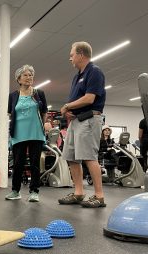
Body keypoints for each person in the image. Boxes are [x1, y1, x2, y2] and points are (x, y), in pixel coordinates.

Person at [58, 41, 106, 208]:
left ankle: (99, 196)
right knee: (70, 157)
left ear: (81, 55)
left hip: (90, 120)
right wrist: (71, 110)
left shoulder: (94, 72)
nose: (70, 58)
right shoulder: (77, 76)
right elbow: (77, 100)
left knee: (88, 156)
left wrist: (68, 106)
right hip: (76, 120)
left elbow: (89, 98)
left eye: (72, 55)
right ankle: (79, 193)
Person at [6, 64, 48, 202]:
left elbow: (44, 113)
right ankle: (15, 191)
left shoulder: (39, 93)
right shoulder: (13, 96)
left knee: (35, 163)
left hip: (35, 133)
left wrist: (43, 128)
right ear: (18, 79)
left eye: (31, 75)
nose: (29, 77)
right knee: (18, 163)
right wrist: (9, 135)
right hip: (19, 133)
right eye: (25, 75)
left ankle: (34, 191)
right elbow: (10, 115)